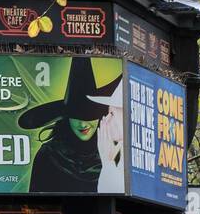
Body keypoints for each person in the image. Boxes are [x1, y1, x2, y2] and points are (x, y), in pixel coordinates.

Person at [18, 57, 124, 193]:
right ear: (66, 118)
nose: (82, 124)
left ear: (99, 117)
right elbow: (36, 204)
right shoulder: (49, 155)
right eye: (76, 117)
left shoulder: (115, 153)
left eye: (88, 117)